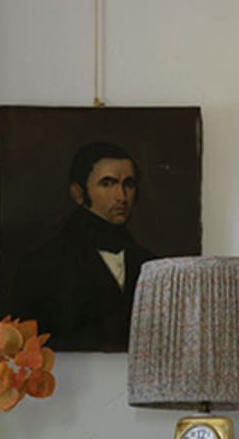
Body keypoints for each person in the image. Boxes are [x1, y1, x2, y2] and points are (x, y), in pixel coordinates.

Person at [10, 139, 150, 350]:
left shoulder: (151, 263)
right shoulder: (40, 266)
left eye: (128, 184)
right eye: (107, 183)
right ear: (78, 193)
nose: (122, 197)